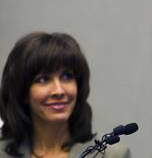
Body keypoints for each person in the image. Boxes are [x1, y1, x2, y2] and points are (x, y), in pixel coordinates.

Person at [0, 32, 130, 158]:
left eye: (67, 76)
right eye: (43, 79)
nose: (59, 91)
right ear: (22, 93)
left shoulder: (112, 156)